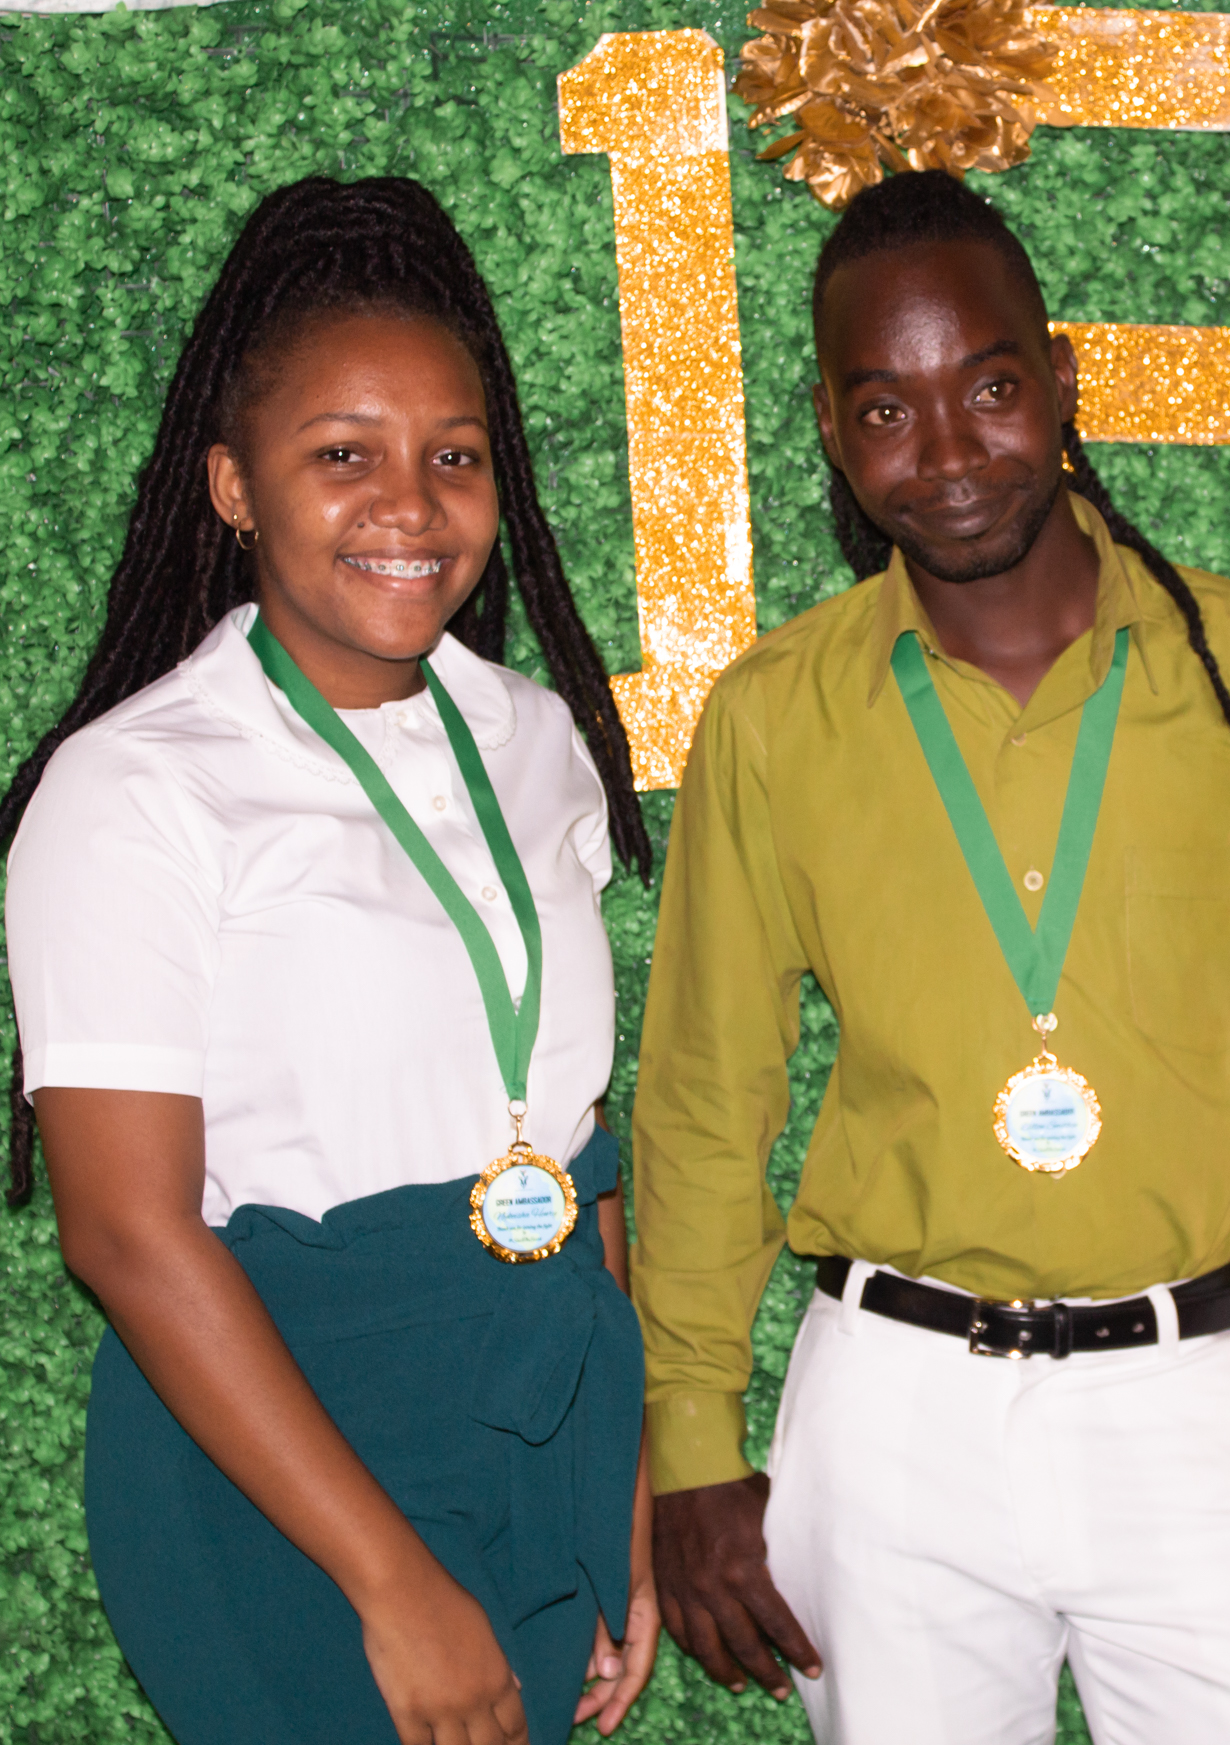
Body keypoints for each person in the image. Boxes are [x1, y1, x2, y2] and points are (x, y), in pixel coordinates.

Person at [630, 170, 1230, 1744]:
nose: (947, 452)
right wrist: (692, 1435)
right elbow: (712, 1093)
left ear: (1060, 380)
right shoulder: (776, 716)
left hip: (1190, 1383)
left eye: (989, 389)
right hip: (893, 1399)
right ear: (832, 435)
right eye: (885, 410)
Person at [2, 176, 662, 1745]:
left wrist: (614, 1468)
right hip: (282, 1468)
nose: (408, 504)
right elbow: (123, 1231)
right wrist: (393, 1583)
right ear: (234, 486)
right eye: (341, 455)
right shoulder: (136, 785)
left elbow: (577, 1133)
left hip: (535, 1414)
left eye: (452, 456)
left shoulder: (540, 741)